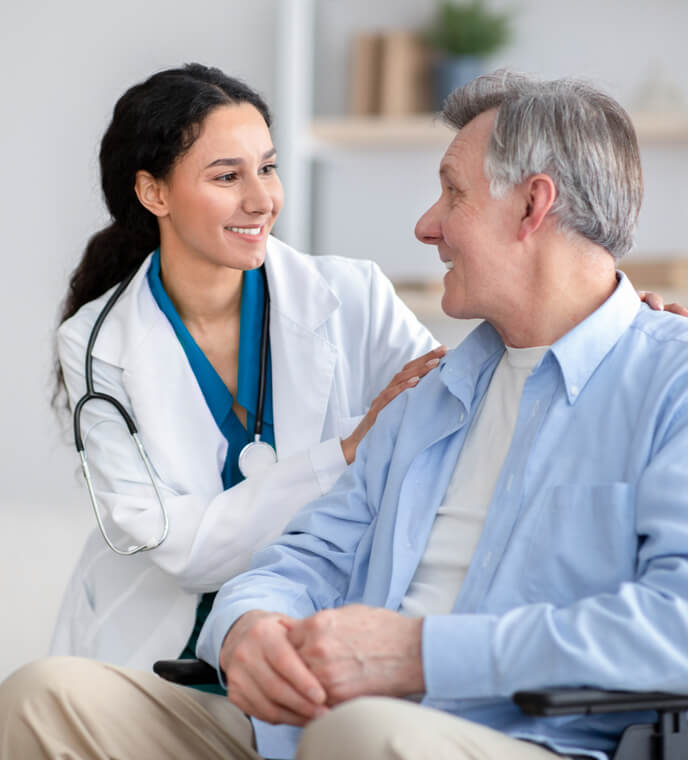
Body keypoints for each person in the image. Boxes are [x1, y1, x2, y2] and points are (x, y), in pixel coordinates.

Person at [0, 71, 688, 760]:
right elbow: (299, 551)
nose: (425, 225)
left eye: (452, 193)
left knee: (359, 742)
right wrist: (247, 626)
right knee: (44, 703)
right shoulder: (441, 392)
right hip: (303, 709)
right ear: (152, 192)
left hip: (527, 738)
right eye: (228, 175)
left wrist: (414, 656)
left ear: (533, 206)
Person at [49, 63, 443, 673]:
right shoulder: (95, 345)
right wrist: (343, 454)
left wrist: (606, 318)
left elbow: (462, 400)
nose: (261, 199)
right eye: (227, 175)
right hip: (156, 649)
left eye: (267, 167)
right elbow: (181, 550)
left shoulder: (353, 295)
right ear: (154, 193)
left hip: (316, 635)